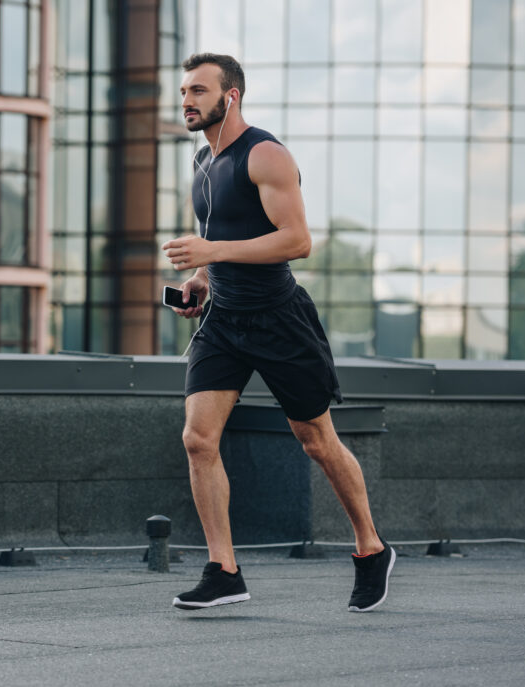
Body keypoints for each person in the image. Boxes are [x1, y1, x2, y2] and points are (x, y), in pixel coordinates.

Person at [162, 53, 395, 613]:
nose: (187, 100)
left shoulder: (265, 154)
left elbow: (296, 240)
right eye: (183, 91)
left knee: (316, 439)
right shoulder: (202, 159)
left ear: (231, 95)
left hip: (278, 318)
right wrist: (201, 278)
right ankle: (224, 570)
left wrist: (212, 253)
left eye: (198, 90)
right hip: (224, 323)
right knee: (198, 438)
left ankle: (371, 548)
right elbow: (222, 233)